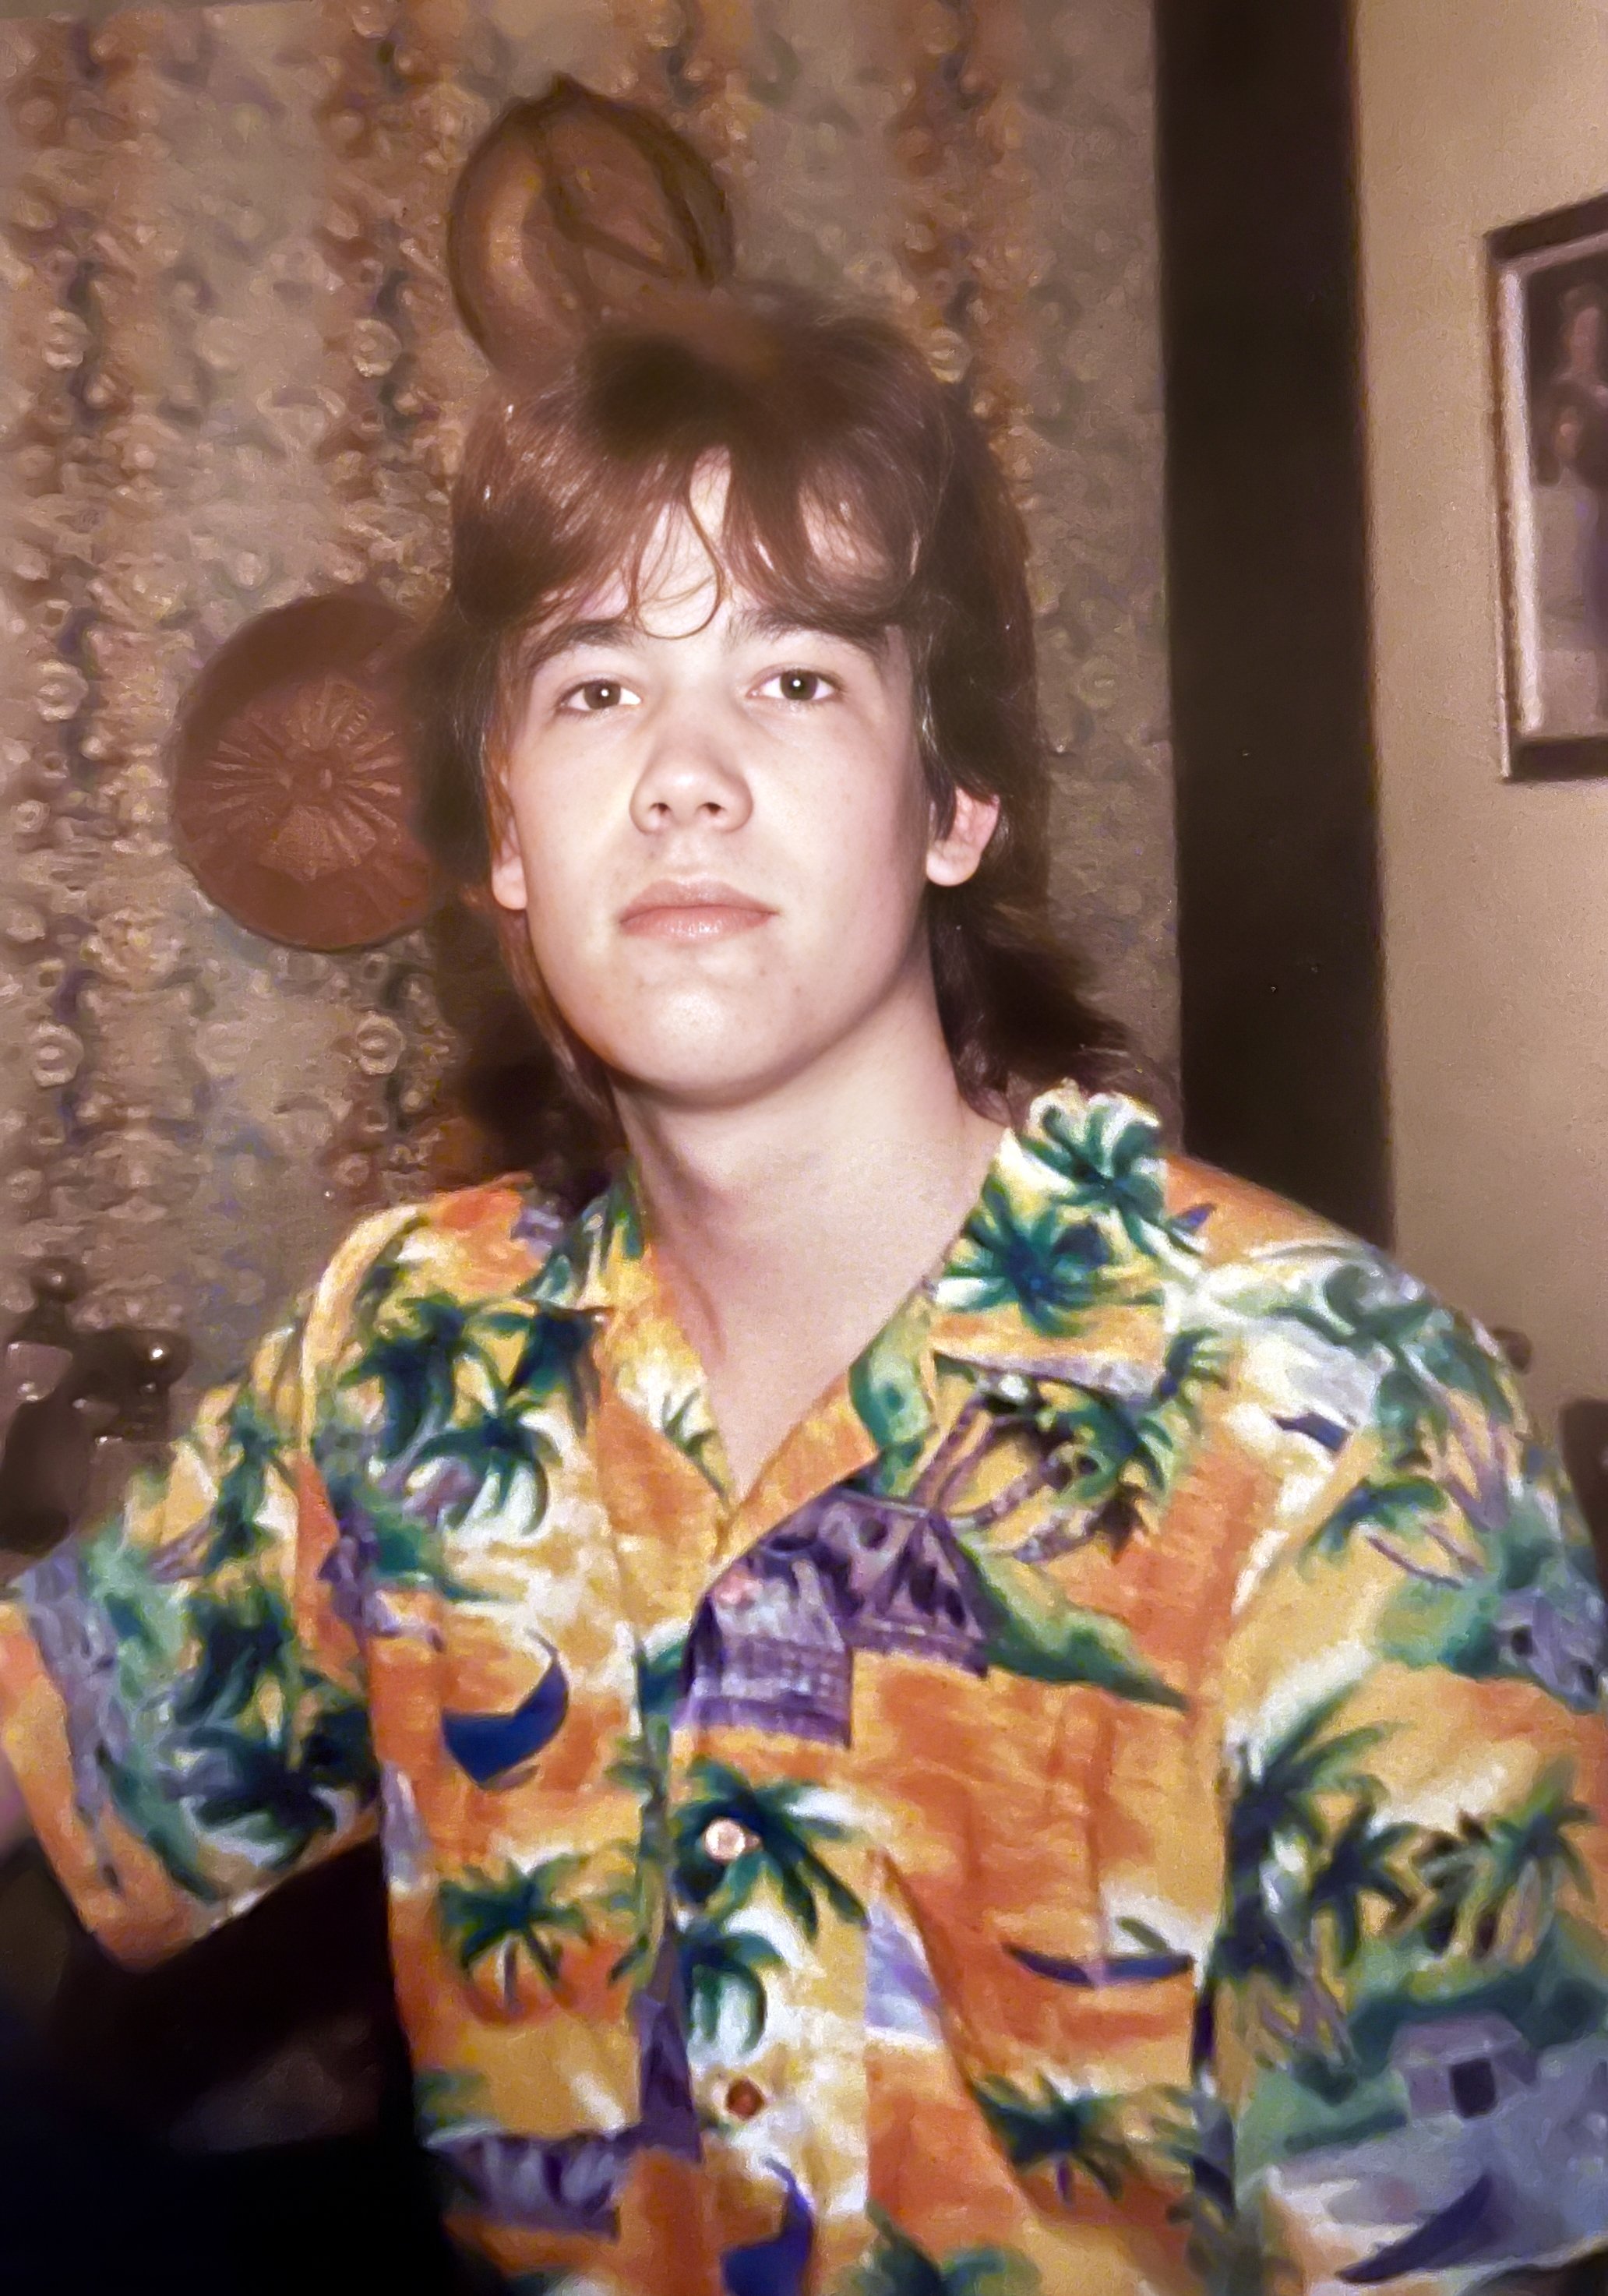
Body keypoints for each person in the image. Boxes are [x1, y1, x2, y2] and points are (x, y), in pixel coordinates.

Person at [3, 79, 1608, 2295]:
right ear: (500, 839)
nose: (682, 773)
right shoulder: (412, 1351)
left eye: (789, 671)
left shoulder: (1332, 1431)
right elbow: (48, 1730)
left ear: (949, 801)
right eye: (592, 687)